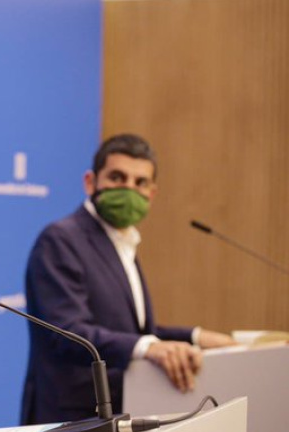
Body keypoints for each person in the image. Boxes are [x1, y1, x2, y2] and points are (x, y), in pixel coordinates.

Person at [20, 134, 236, 424]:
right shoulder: (60, 240)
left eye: (140, 182)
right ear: (90, 182)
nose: (128, 189)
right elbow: (69, 332)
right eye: (117, 178)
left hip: (118, 410)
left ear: (152, 194)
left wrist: (196, 337)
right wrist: (148, 347)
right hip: (72, 418)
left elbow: (129, 330)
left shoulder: (123, 241)